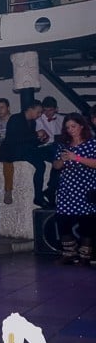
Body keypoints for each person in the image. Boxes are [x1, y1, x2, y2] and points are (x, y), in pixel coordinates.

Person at [52, 113, 96, 264]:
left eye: (73, 126)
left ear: (81, 126)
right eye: (68, 127)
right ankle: (69, 253)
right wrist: (62, 161)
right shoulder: (64, 145)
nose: (71, 130)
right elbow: (56, 165)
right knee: (63, 221)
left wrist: (76, 157)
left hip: (85, 189)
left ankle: (85, 256)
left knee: (86, 223)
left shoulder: (91, 144)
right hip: (67, 189)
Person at [0, 100, 45, 206]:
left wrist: (40, 139)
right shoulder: (15, 119)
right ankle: (38, 196)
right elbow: (15, 139)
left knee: (42, 162)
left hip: (26, 150)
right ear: (30, 109)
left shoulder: (32, 122)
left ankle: (39, 195)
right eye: (38, 112)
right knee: (39, 163)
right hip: (13, 152)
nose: (39, 115)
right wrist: (36, 135)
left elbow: (30, 140)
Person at [36, 96, 65, 206]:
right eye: (45, 110)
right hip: (43, 148)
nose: (47, 113)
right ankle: (51, 190)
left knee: (60, 158)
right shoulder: (38, 120)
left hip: (57, 147)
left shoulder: (62, 119)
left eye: (50, 110)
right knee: (57, 153)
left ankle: (51, 189)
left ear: (56, 109)